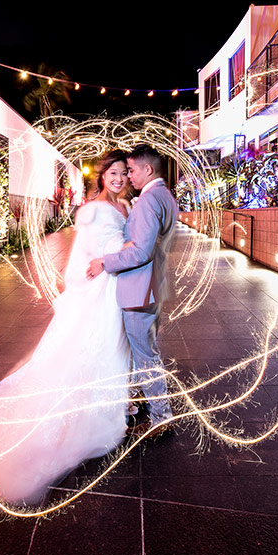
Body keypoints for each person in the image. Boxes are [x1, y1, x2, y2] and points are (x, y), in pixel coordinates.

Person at [0, 150, 133, 507]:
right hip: (99, 289)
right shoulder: (90, 210)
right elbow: (83, 258)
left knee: (114, 346)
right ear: (102, 176)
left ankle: (115, 401)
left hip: (117, 290)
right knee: (89, 348)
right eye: (113, 173)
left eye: (123, 173)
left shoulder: (126, 207)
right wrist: (96, 269)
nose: (118, 179)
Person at [87, 143, 178, 437]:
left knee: (145, 356)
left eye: (132, 170)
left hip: (139, 289)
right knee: (144, 352)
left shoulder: (148, 200)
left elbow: (140, 252)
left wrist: (105, 261)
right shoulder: (164, 196)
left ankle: (161, 417)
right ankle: (150, 409)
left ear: (147, 169)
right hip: (151, 286)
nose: (129, 177)